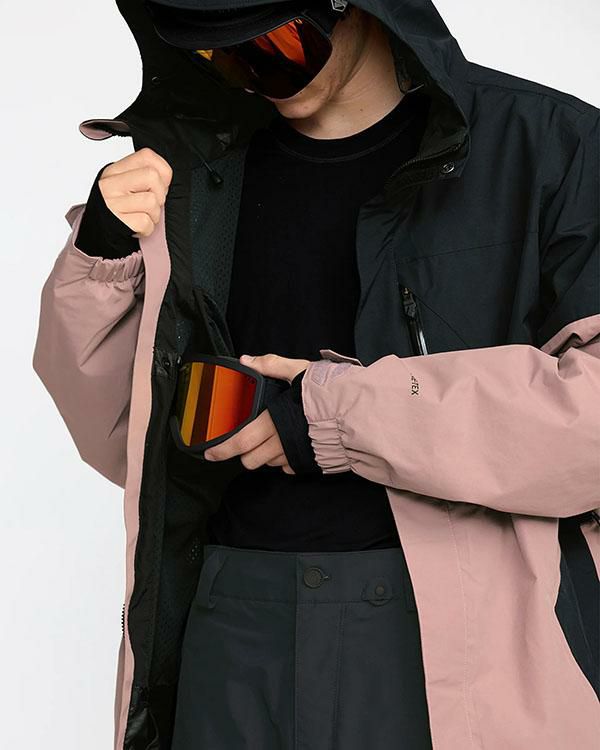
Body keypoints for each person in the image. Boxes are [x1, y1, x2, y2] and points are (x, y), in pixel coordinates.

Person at [32, 1, 600, 748]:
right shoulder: (199, 171)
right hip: (232, 623)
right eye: (219, 54)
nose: (249, 73)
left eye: (276, 43)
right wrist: (103, 259)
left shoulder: (547, 145)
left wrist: (331, 415)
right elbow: (125, 441)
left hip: (453, 636)